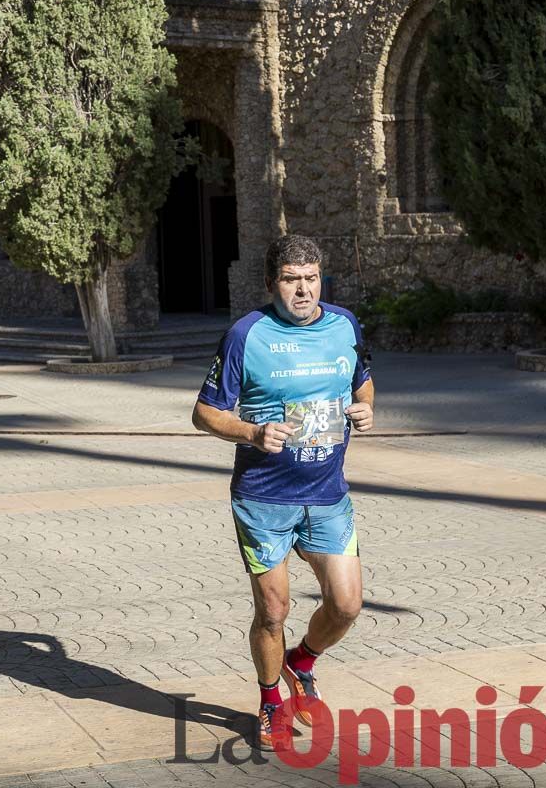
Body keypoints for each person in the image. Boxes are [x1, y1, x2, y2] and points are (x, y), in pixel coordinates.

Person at [192, 234, 374, 749]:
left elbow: (362, 383)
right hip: (263, 498)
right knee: (273, 611)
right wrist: (251, 432)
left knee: (347, 605)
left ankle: (302, 662)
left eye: (311, 279)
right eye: (292, 279)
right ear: (272, 282)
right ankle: (271, 700)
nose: (303, 290)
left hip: (327, 494)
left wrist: (366, 410)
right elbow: (203, 412)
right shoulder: (246, 335)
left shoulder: (344, 325)